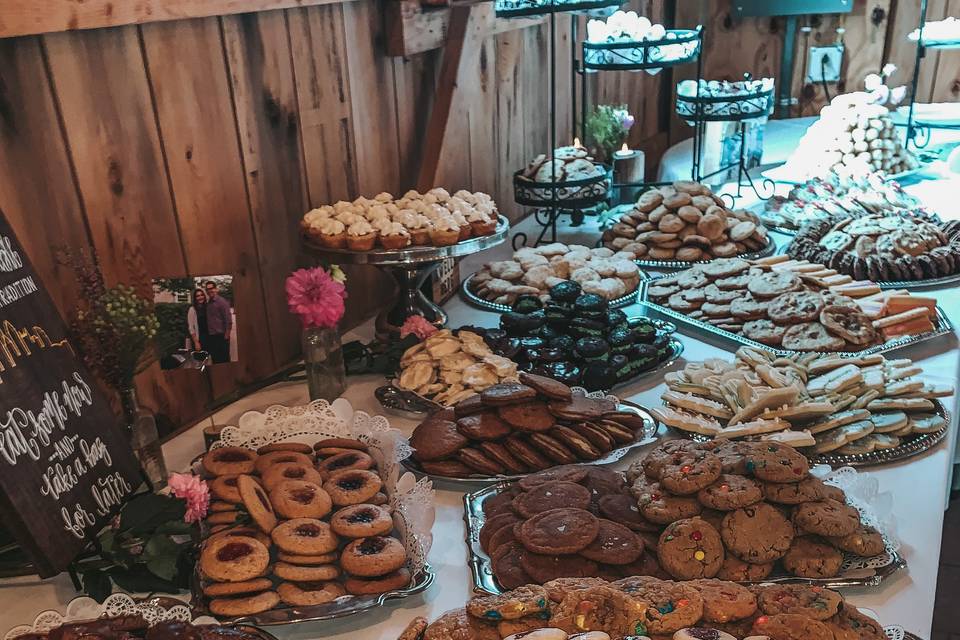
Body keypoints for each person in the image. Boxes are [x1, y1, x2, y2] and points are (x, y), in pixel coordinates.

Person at [204, 280, 233, 364]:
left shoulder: (222, 302)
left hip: (221, 336)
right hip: (212, 337)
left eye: (211, 288)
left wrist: (226, 336)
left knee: (224, 360)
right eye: (207, 289)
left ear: (216, 289)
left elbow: (228, 320)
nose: (210, 291)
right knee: (215, 360)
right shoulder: (209, 303)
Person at [186, 288, 209, 353]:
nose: (200, 297)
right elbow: (191, 327)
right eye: (197, 296)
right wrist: (196, 342)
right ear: (195, 298)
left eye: (202, 295)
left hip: (209, 338)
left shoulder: (207, 308)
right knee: (201, 360)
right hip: (199, 339)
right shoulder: (192, 309)